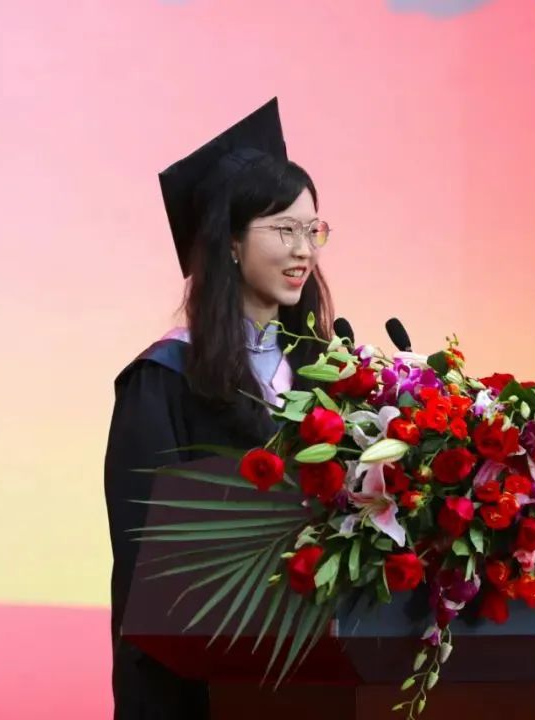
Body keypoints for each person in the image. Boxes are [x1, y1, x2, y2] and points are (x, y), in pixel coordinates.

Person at [103, 98, 334, 720]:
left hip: (316, 681)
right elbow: (146, 564)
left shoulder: (326, 372)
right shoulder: (163, 380)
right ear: (230, 242)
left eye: (313, 230)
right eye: (284, 230)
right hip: (201, 686)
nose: (304, 250)